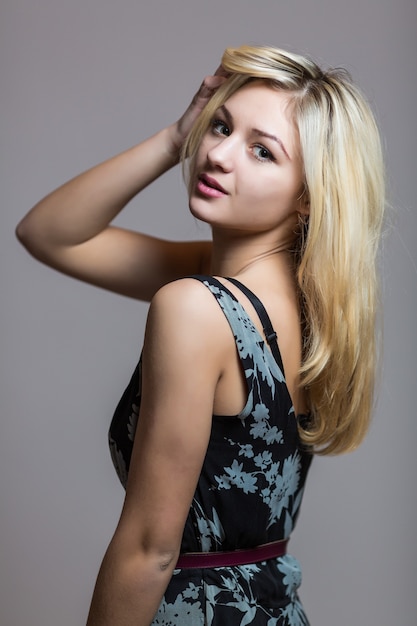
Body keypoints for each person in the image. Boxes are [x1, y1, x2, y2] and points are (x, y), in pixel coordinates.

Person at [16, 44, 385, 625]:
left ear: (309, 196)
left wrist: (172, 142)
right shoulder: (310, 304)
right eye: (220, 127)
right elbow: (50, 234)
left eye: (262, 151)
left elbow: (149, 550)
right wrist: (173, 138)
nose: (218, 155)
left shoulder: (198, 308)